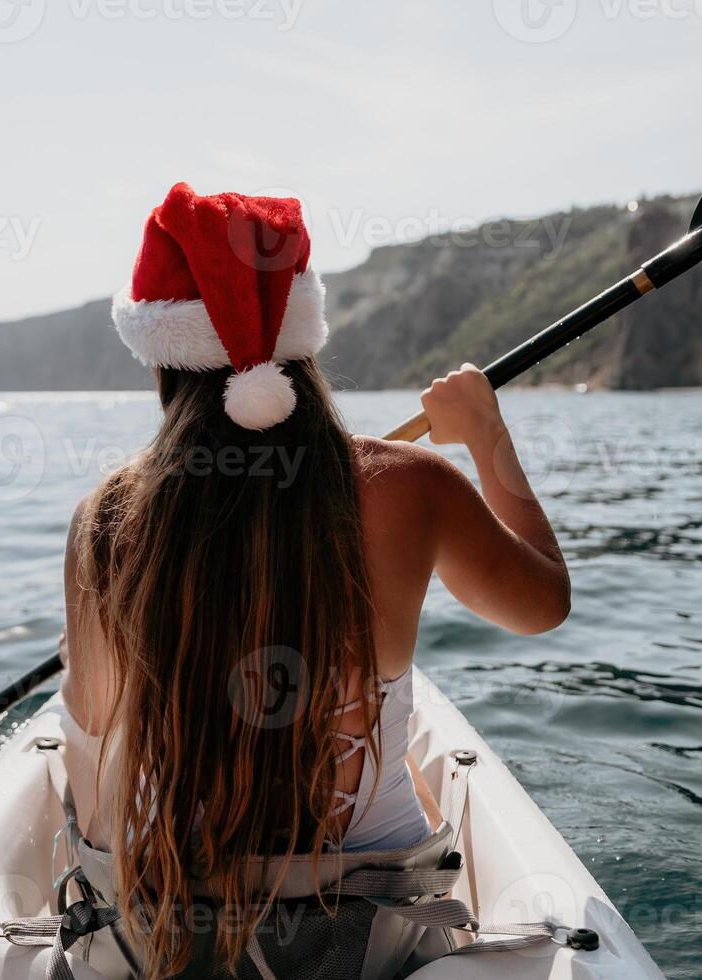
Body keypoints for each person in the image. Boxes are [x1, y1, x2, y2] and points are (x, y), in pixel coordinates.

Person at [60, 183, 570, 978]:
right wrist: (486, 436)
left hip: (164, 927)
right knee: (420, 798)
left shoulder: (107, 517)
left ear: (161, 357)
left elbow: (93, 740)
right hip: (370, 928)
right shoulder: (410, 484)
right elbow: (544, 604)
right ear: (305, 337)